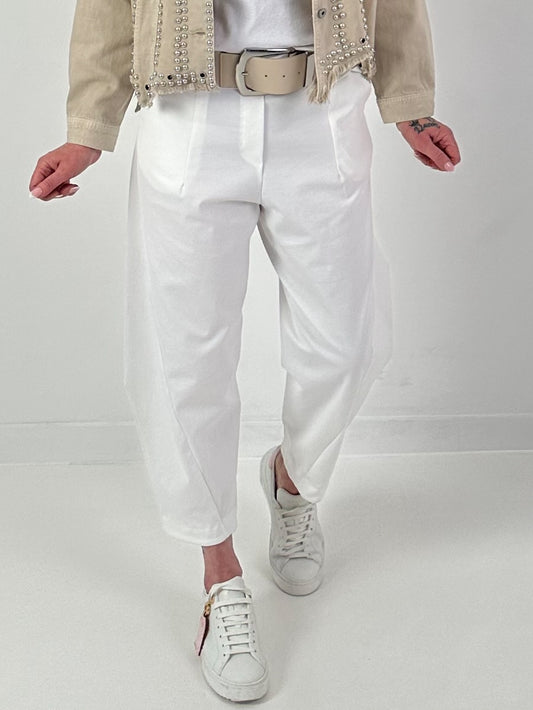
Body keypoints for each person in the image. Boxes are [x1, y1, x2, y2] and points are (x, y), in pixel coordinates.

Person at [28, 0, 461, 702]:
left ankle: (291, 480)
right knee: (185, 361)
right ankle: (219, 575)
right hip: (189, 113)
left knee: (348, 344)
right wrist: (90, 125)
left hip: (322, 109)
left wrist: (408, 101)